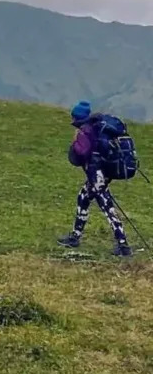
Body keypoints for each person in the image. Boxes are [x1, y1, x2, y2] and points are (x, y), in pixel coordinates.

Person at [59, 101, 132, 258]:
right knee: (84, 198)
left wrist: (75, 143)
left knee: (105, 205)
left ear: (76, 117)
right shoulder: (97, 127)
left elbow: (80, 155)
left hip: (97, 174)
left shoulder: (86, 131)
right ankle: (75, 236)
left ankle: (123, 244)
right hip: (105, 171)